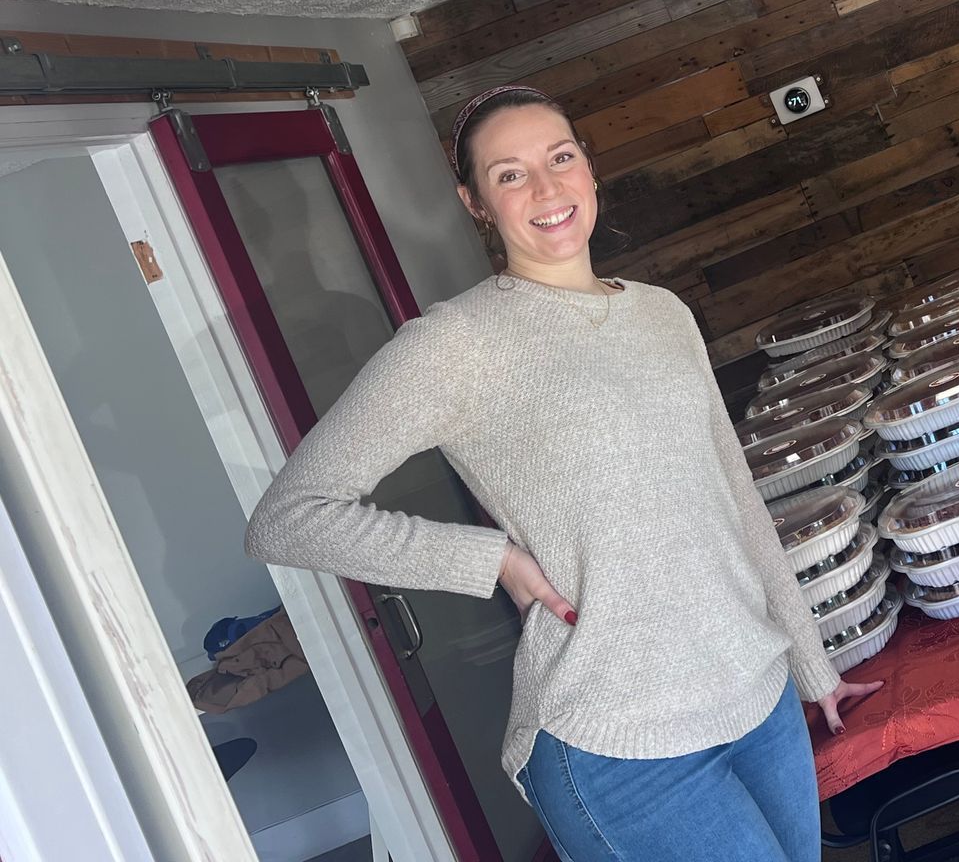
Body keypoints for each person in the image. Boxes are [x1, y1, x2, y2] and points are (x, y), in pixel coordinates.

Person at [245, 84, 878, 862]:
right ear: (475, 202)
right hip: (617, 741)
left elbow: (735, 498)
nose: (545, 190)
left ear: (589, 168)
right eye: (509, 175)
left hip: (758, 692)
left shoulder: (662, 312)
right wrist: (492, 561)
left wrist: (812, 664)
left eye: (560, 158)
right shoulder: (453, 346)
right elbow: (288, 517)